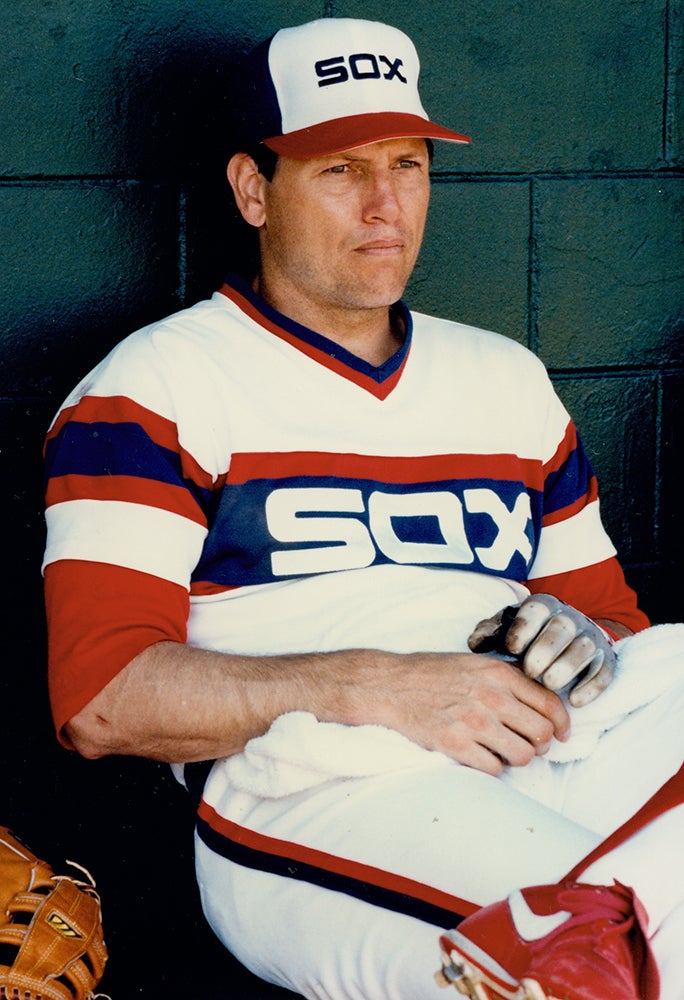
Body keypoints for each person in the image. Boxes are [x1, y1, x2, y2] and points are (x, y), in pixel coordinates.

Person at [42, 17, 684, 1000]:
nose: (386, 204)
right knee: (589, 960)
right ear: (254, 189)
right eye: (341, 169)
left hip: (553, 738)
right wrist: (380, 684)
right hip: (324, 784)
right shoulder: (154, 387)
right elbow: (100, 698)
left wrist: (586, 639)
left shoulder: (506, 380)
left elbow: (616, 626)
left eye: (408, 163)